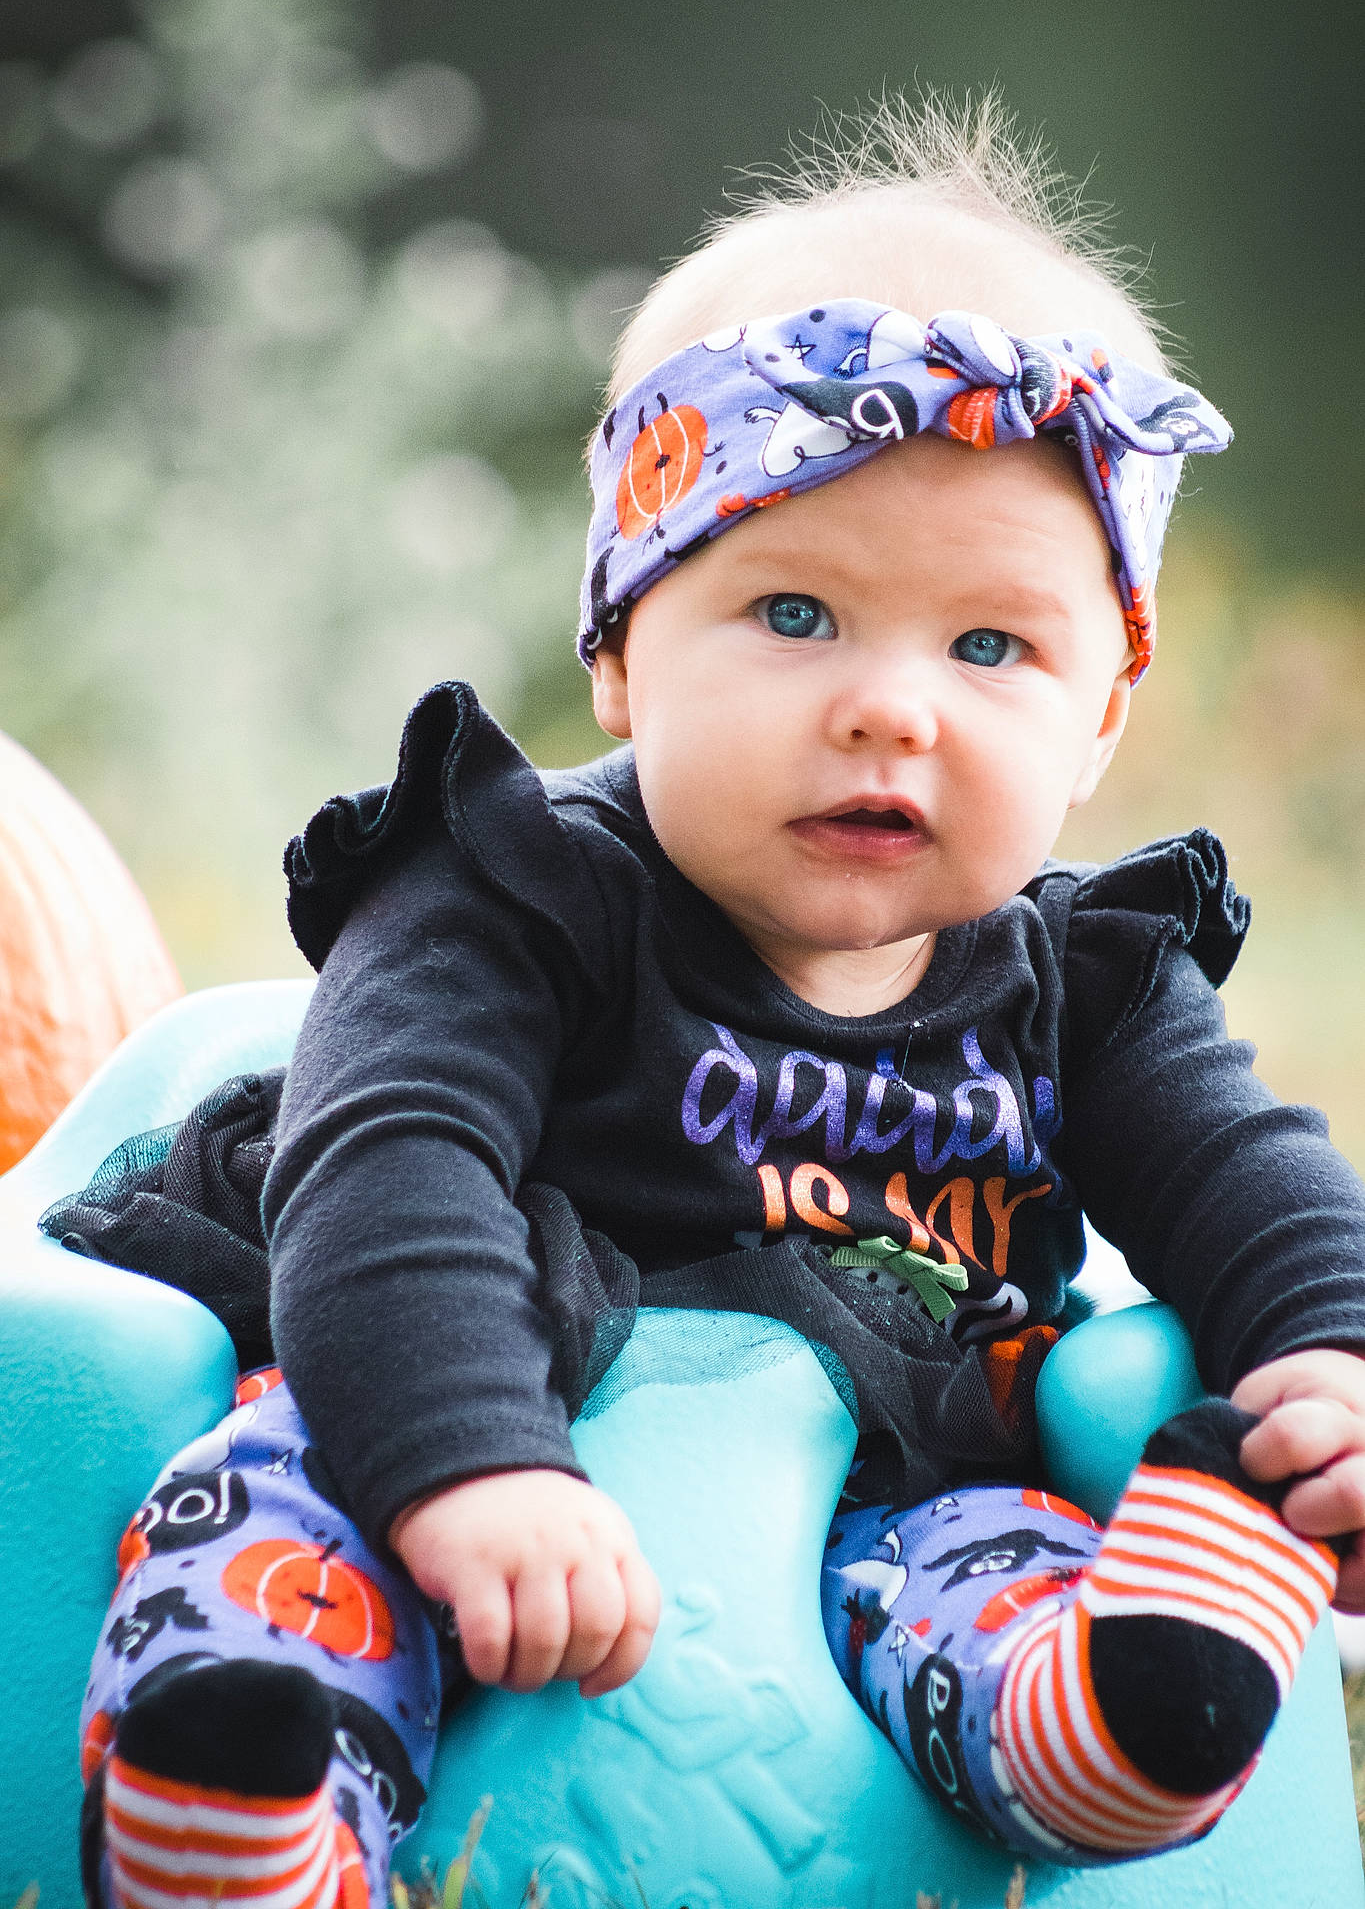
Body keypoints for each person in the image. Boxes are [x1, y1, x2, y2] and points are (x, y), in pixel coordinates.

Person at [80, 100, 1365, 1908]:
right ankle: (245, 1811)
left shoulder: (1088, 980)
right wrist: (463, 1465)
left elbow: (1248, 1176)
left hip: (887, 1481)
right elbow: (387, 1164)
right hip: (453, 1377)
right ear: (621, 645)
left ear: (1097, 723)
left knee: (989, 1561)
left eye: (988, 646)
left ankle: (1104, 1723)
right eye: (794, 614)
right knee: (277, 1506)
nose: (890, 707)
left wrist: (1331, 1357)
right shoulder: (509, 891)